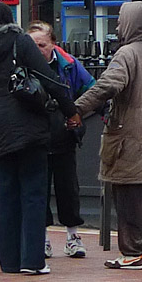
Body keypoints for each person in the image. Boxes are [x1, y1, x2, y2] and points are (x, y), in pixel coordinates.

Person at [0, 2, 82, 275]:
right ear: (9, 19)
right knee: (32, 194)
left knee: (5, 195)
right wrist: (71, 111)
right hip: (29, 126)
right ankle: (32, 260)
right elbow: (49, 79)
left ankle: (9, 261)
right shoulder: (21, 41)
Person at [73, 1, 142, 270]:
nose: (118, 25)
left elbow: (108, 85)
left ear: (132, 22)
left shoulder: (126, 54)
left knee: (127, 195)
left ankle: (132, 252)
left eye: (121, 19)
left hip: (127, 135)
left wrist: (77, 110)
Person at [27, 20, 96, 259]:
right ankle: (42, 238)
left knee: (68, 190)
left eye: (42, 44)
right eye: (33, 45)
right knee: (39, 191)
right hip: (35, 139)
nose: (38, 50)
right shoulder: (23, 67)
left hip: (64, 138)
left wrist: (76, 113)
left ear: (53, 44)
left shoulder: (68, 65)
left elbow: (91, 89)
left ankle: (73, 237)